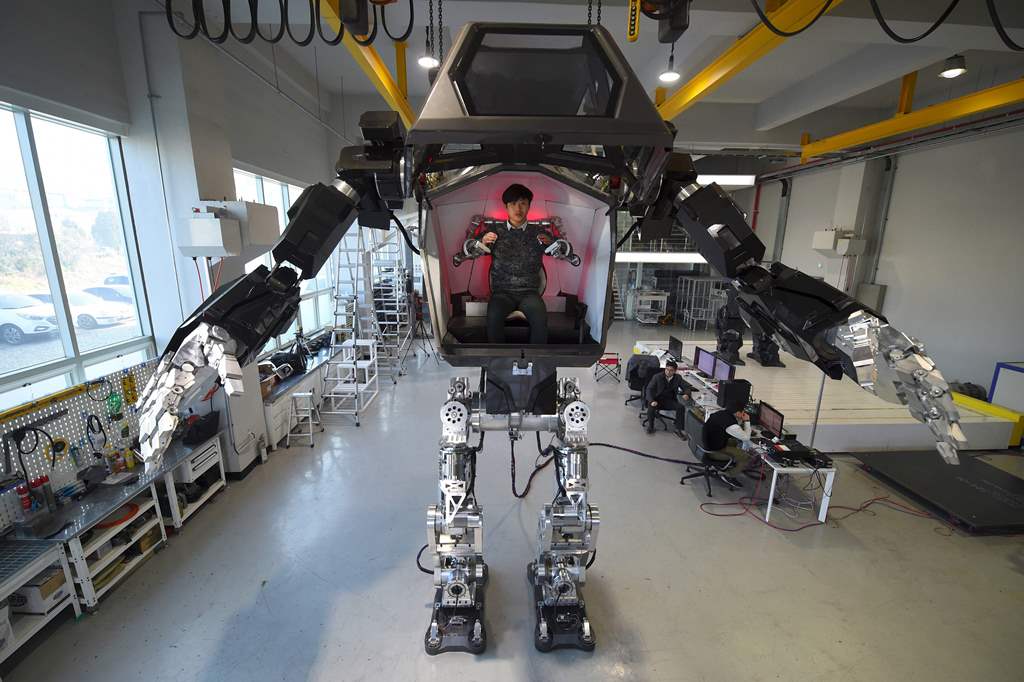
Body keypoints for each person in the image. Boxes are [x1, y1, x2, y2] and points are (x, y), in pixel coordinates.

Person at [481, 184, 552, 344]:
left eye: (522, 203)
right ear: (506, 207)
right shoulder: (494, 231)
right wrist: (482, 241)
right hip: (502, 293)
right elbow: (472, 248)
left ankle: (536, 362)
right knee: (493, 318)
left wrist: (551, 242)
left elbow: (559, 249)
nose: (518, 209)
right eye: (513, 204)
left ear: (529, 206)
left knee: (541, 319)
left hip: (530, 293)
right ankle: (498, 363)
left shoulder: (539, 234)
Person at [703, 402, 757, 486]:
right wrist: (746, 421)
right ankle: (728, 476)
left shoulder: (721, 413)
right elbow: (746, 437)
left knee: (734, 442)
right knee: (746, 457)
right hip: (714, 451)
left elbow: (734, 429)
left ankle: (731, 464)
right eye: (743, 412)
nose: (744, 414)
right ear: (738, 413)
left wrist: (740, 422)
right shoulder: (731, 425)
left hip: (708, 444)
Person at [644, 360, 691, 436]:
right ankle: (651, 427)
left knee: (680, 407)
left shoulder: (677, 378)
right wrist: (651, 400)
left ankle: (678, 429)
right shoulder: (657, 377)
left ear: (675, 371)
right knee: (651, 407)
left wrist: (687, 394)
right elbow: (649, 389)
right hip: (656, 399)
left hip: (669, 400)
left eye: (671, 370)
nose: (668, 372)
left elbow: (686, 386)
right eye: (667, 369)